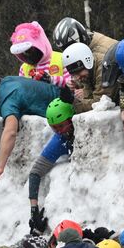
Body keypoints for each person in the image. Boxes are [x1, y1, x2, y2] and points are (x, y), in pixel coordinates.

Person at [0, 66, 71, 184]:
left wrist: (0, 167)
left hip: (68, 119)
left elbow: (10, 131)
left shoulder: (7, 98)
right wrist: (3, 154)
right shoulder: (8, 82)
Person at [28, 99, 76, 234]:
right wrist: (34, 209)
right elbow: (35, 172)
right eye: (54, 127)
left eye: (61, 126)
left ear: (71, 120)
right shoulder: (59, 140)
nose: (59, 131)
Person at [9, 20, 68, 85]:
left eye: (29, 50)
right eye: (22, 52)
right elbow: (23, 90)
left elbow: (72, 84)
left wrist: (50, 79)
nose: (26, 54)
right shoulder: (24, 68)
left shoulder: (62, 58)